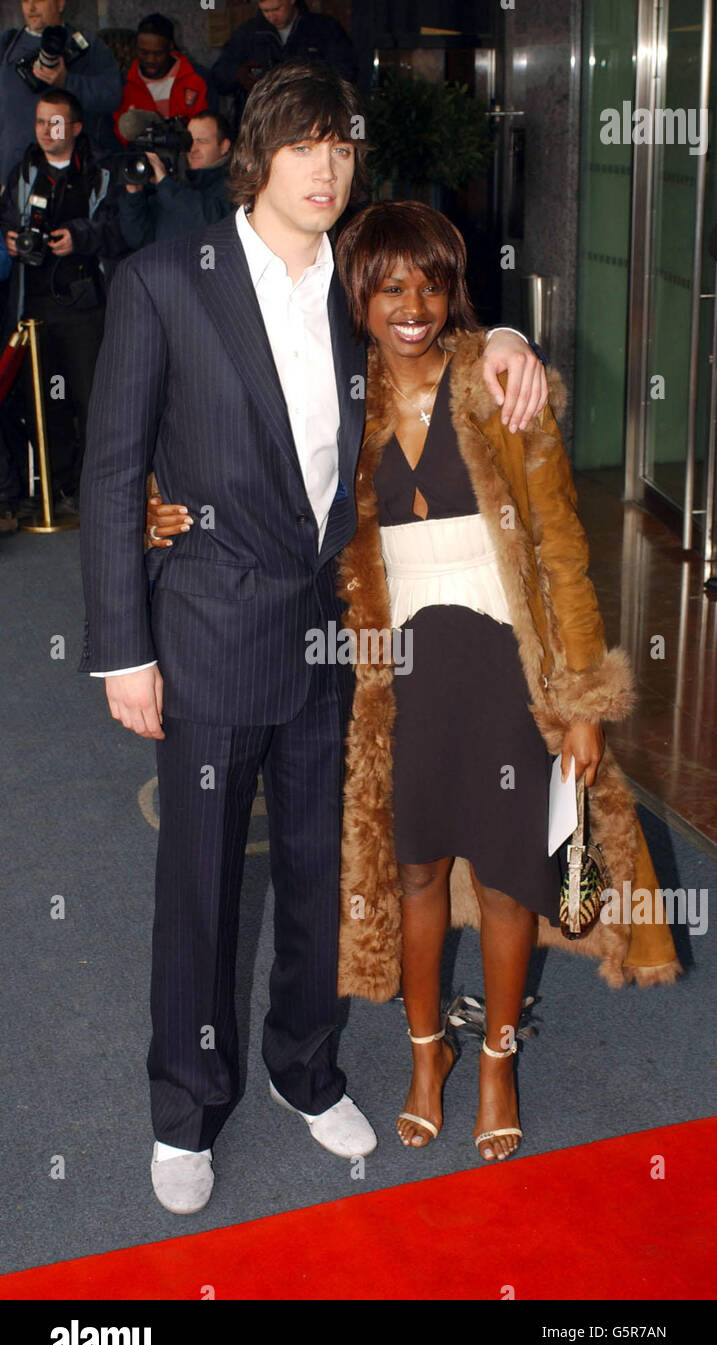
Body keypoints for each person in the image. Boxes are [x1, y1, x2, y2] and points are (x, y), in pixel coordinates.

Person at [78, 59, 548, 1216]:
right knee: (199, 888)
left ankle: (305, 1064)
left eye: (341, 145)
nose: (326, 166)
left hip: (335, 636)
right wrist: (122, 648)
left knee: (319, 875)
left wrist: (509, 335)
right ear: (257, 156)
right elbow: (112, 473)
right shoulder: (165, 282)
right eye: (303, 144)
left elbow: (439, 314)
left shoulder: (356, 282)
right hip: (206, 630)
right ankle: (185, 1107)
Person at [147, 197, 681, 1166]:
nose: (413, 307)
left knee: (510, 879)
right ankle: (427, 1053)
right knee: (417, 873)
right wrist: (163, 503)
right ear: (358, 294)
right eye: (391, 287)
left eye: (432, 286)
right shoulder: (341, 397)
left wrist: (583, 704)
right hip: (397, 683)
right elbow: (247, 466)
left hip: (507, 673)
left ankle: (498, 1062)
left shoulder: (497, 385)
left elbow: (562, 551)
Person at [0, 88, 124, 515]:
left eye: (54, 123)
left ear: (75, 128)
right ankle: (55, 489)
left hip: (85, 307)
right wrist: (10, 240)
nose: (45, 131)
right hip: (34, 310)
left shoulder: (100, 171)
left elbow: (121, 229)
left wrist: (80, 237)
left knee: (92, 402)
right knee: (44, 402)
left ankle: (95, 494)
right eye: (40, 122)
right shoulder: (24, 172)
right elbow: (6, 220)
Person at [0, 0, 122, 188]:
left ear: (60, 4)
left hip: (72, 181)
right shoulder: (7, 45)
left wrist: (67, 81)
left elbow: (112, 97)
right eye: (25, 0)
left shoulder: (86, 46)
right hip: (14, 178)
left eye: (39, 0)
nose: (31, 7)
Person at [212, 1, 356, 132]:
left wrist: (308, 82)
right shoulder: (247, 34)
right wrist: (238, 75)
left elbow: (346, 73)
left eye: (276, 9)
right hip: (261, 125)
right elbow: (219, 77)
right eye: (265, 11)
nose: (271, 16)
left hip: (311, 120)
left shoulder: (324, 29)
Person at [119, 111, 232, 250]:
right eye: (189, 141)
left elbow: (211, 222)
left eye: (202, 141)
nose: (193, 148)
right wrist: (135, 195)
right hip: (165, 262)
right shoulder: (176, 182)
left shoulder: (237, 185)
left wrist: (165, 184)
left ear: (224, 146)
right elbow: (139, 239)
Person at [113, 12, 207, 146]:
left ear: (170, 47)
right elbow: (117, 135)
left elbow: (208, 130)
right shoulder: (123, 84)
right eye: (144, 53)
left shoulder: (196, 79)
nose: (150, 60)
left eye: (158, 54)